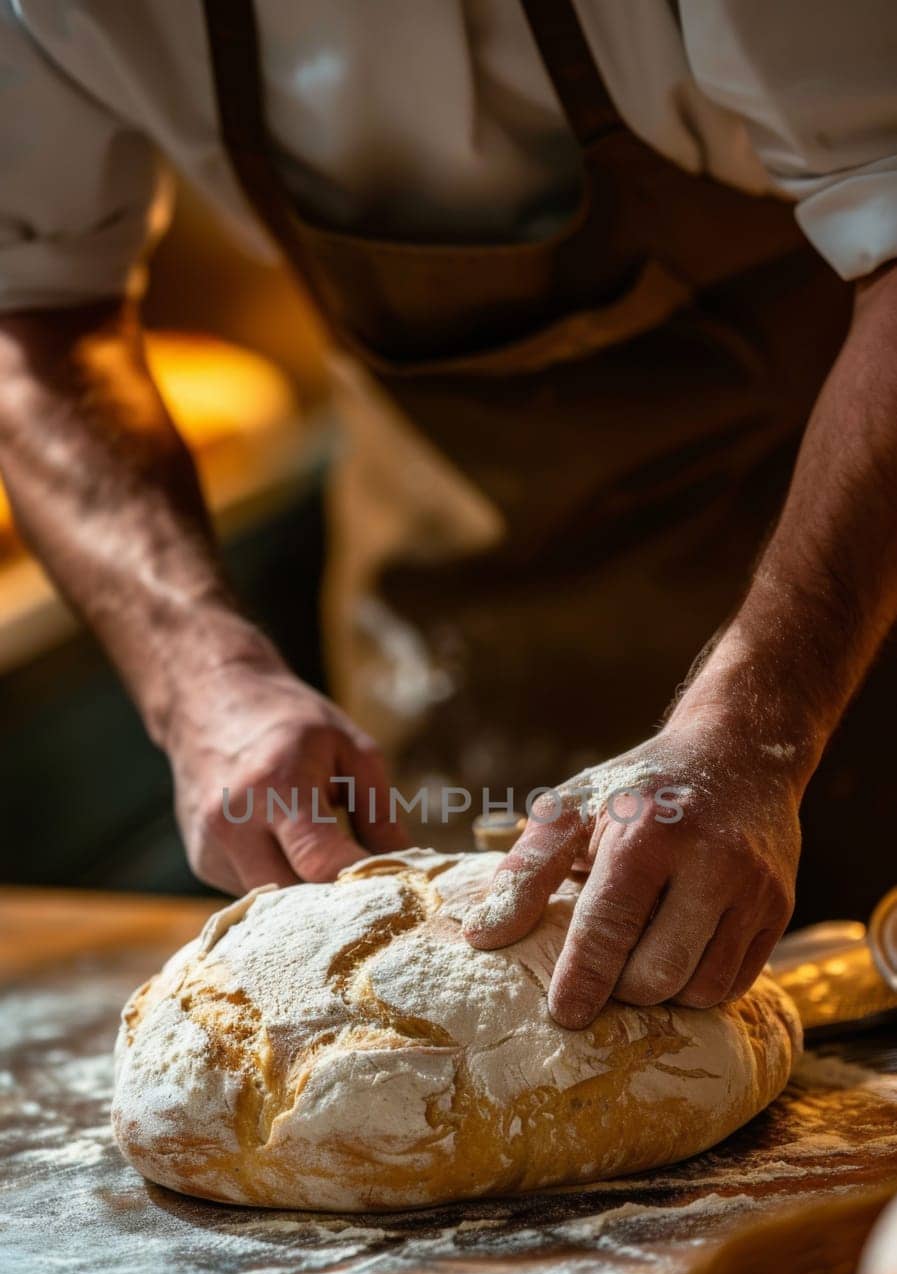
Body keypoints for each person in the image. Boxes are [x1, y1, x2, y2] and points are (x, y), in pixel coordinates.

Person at [1, 1, 895, 1028]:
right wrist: (200, 679)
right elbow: (31, 303)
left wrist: (764, 721)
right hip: (452, 635)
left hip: (852, 606)